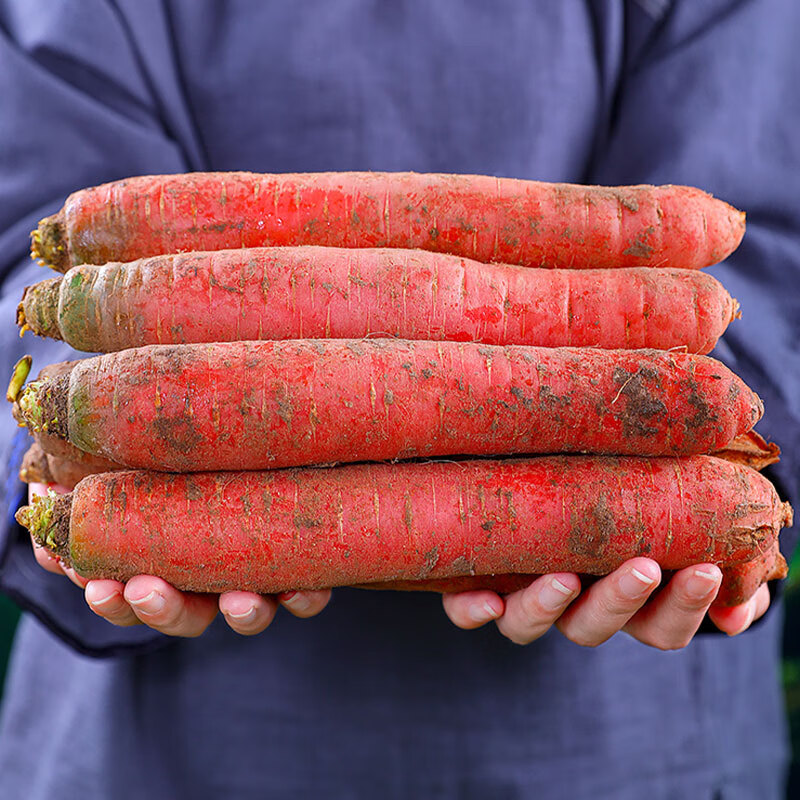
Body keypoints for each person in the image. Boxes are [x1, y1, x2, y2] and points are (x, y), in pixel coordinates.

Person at [0, 1, 798, 797]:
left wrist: (675, 492)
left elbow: (764, 237)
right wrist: (67, 412)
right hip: (164, 743)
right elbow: (21, 227)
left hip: (624, 736)